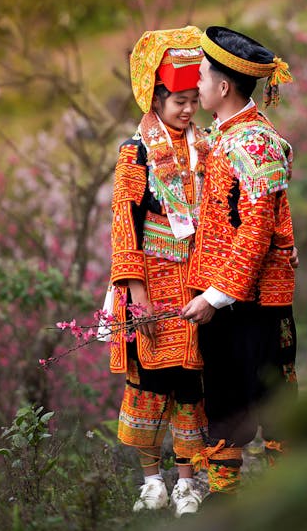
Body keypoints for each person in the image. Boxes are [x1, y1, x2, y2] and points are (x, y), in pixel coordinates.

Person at [181, 25, 298, 497]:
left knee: (271, 401)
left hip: (253, 300)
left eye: (203, 75)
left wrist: (216, 295)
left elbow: (256, 228)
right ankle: (227, 502)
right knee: (225, 401)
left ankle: (288, 499)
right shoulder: (227, 135)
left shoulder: (252, 141)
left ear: (224, 86)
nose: (198, 84)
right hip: (228, 295)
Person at [107, 26, 209, 517]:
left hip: (193, 282)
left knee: (190, 384)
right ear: (156, 98)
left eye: (193, 100)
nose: (188, 110)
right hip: (149, 282)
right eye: (178, 101)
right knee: (148, 383)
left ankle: (188, 481)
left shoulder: (205, 148)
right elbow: (123, 224)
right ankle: (152, 480)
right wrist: (136, 294)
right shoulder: (136, 151)